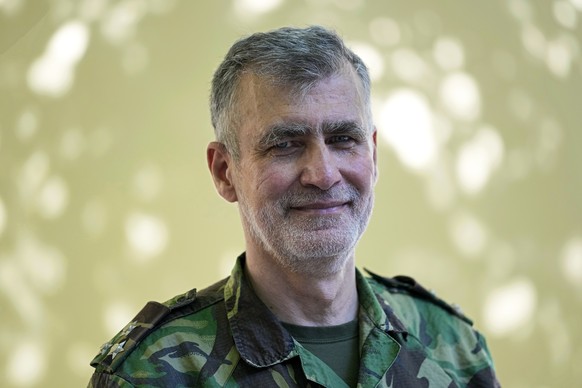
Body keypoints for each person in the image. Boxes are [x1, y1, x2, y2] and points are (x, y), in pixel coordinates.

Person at [88, 26, 500, 387]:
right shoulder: (154, 375)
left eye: (343, 139)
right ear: (224, 171)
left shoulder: (452, 347)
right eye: (284, 144)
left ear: (372, 155)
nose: (322, 174)